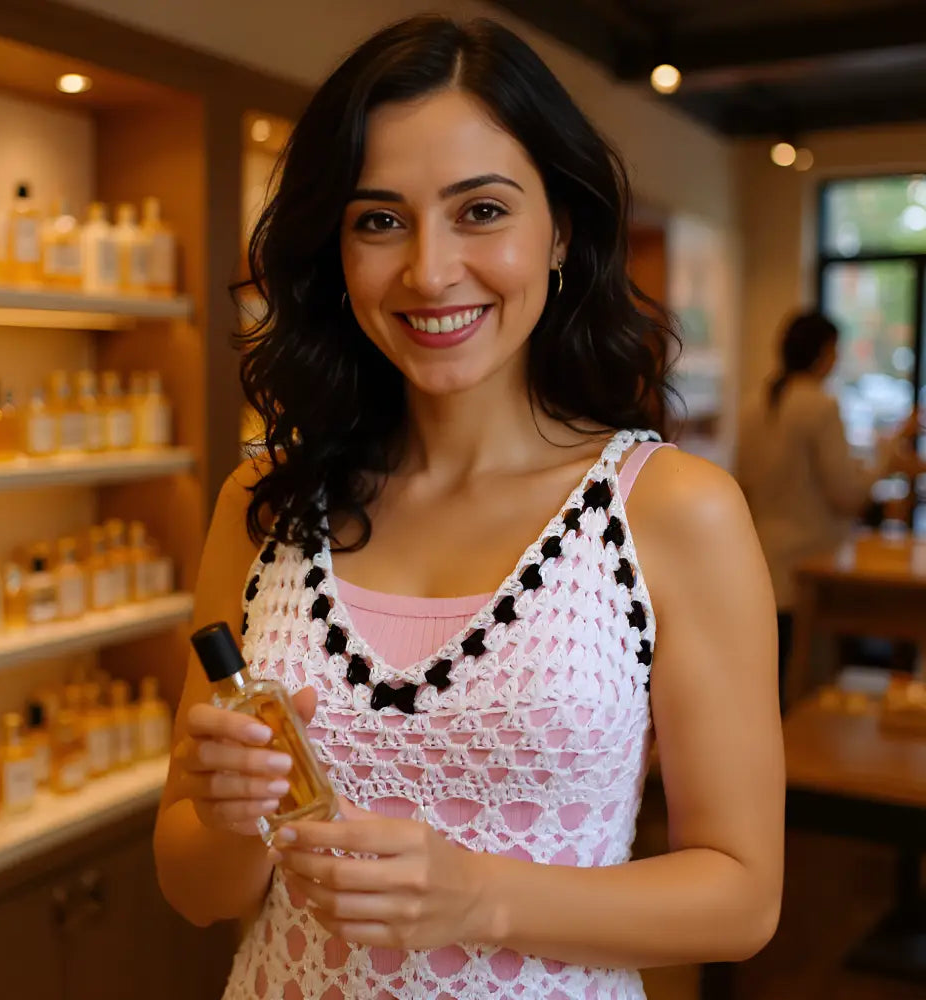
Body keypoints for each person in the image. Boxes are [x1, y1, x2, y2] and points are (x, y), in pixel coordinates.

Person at [154, 15, 784, 999]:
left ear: (560, 229)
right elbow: (197, 891)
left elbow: (741, 899)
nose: (430, 270)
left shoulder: (669, 510)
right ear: (335, 250)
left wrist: (480, 897)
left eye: (480, 211)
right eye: (378, 221)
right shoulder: (263, 505)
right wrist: (228, 813)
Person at [737, 310, 922, 700]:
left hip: (760, 558)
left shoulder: (755, 403)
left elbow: (744, 485)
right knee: (801, 684)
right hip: (809, 563)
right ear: (823, 353)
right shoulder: (820, 406)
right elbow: (846, 495)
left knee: (764, 683)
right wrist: (887, 457)